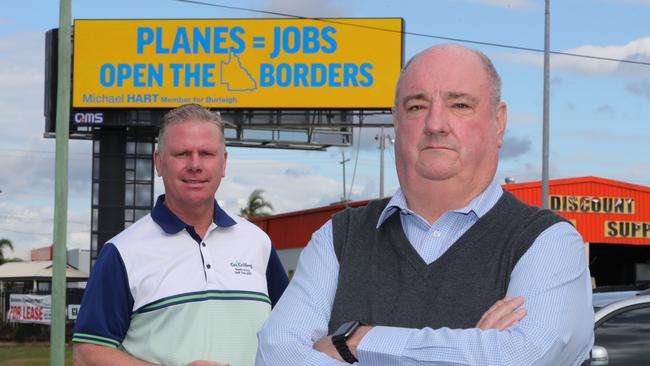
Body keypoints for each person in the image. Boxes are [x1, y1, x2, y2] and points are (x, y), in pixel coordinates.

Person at [256, 44, 594, 365]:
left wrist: (357, 341)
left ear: (499, 121)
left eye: (459, 105)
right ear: (396, 120)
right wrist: (470, 351)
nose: (435, 125)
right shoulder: (338, 238)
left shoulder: (547, 242)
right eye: (417, 106)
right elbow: (275, 357)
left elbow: (521, 356)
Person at [73, 104, 289, 366]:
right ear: (159, 162)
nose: (195, 165)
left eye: (207, 153)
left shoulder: (257, 243)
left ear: (224, 163)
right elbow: (86, 354)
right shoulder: (121, 252)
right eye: (182, 153)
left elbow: (290, 332)